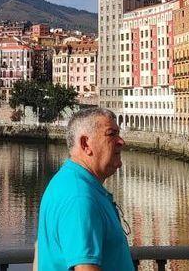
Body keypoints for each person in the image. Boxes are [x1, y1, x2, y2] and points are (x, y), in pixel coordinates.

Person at [34, 107, 130, 271]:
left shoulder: (68, 183)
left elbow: (40, 250)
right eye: (111, 134)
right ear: (85, 144)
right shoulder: (79, 197)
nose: (121, 141)